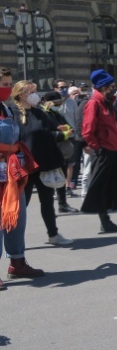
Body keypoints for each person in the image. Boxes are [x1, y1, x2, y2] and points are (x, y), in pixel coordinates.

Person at [11, 81, 73, 245]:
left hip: (43, 165)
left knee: (47, 202)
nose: (35, 95)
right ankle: (15, 240)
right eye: (31, 91)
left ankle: (53, 235)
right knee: (21, 206)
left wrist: (61, 134)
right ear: (21, 94)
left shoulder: (40, 113)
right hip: (24, 167)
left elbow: (48, 135)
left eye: (35, 91)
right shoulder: (13, 114)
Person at [0, 66, 45, 290]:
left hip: (11, 174)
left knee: (16, 219)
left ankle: (17, 262)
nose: (7, 89)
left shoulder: (6, 109)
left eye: (9, 84)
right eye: (4, 84)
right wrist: (8, 147)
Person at [81, 69, 117, 233]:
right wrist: (97, 149)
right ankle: (104, 221)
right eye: (111, 86)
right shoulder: (94, 103)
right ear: (103, 87)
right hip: (103, 151)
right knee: (101, 187)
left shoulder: (107, 102)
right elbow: (87, 130)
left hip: (113, 150)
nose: (114, 89)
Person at [40, 92, 79, 213]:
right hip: (49, 150)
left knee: (61, 177)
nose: (59, 105)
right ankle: (49, 209)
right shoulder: (43, 114)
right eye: (56, 103)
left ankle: (63, 204)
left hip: (59, 150)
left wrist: (67, 129)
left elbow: (64, 125)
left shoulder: (55, 112)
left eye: (60, 103)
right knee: (48, 181)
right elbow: (44, 134)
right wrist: (64, 134)